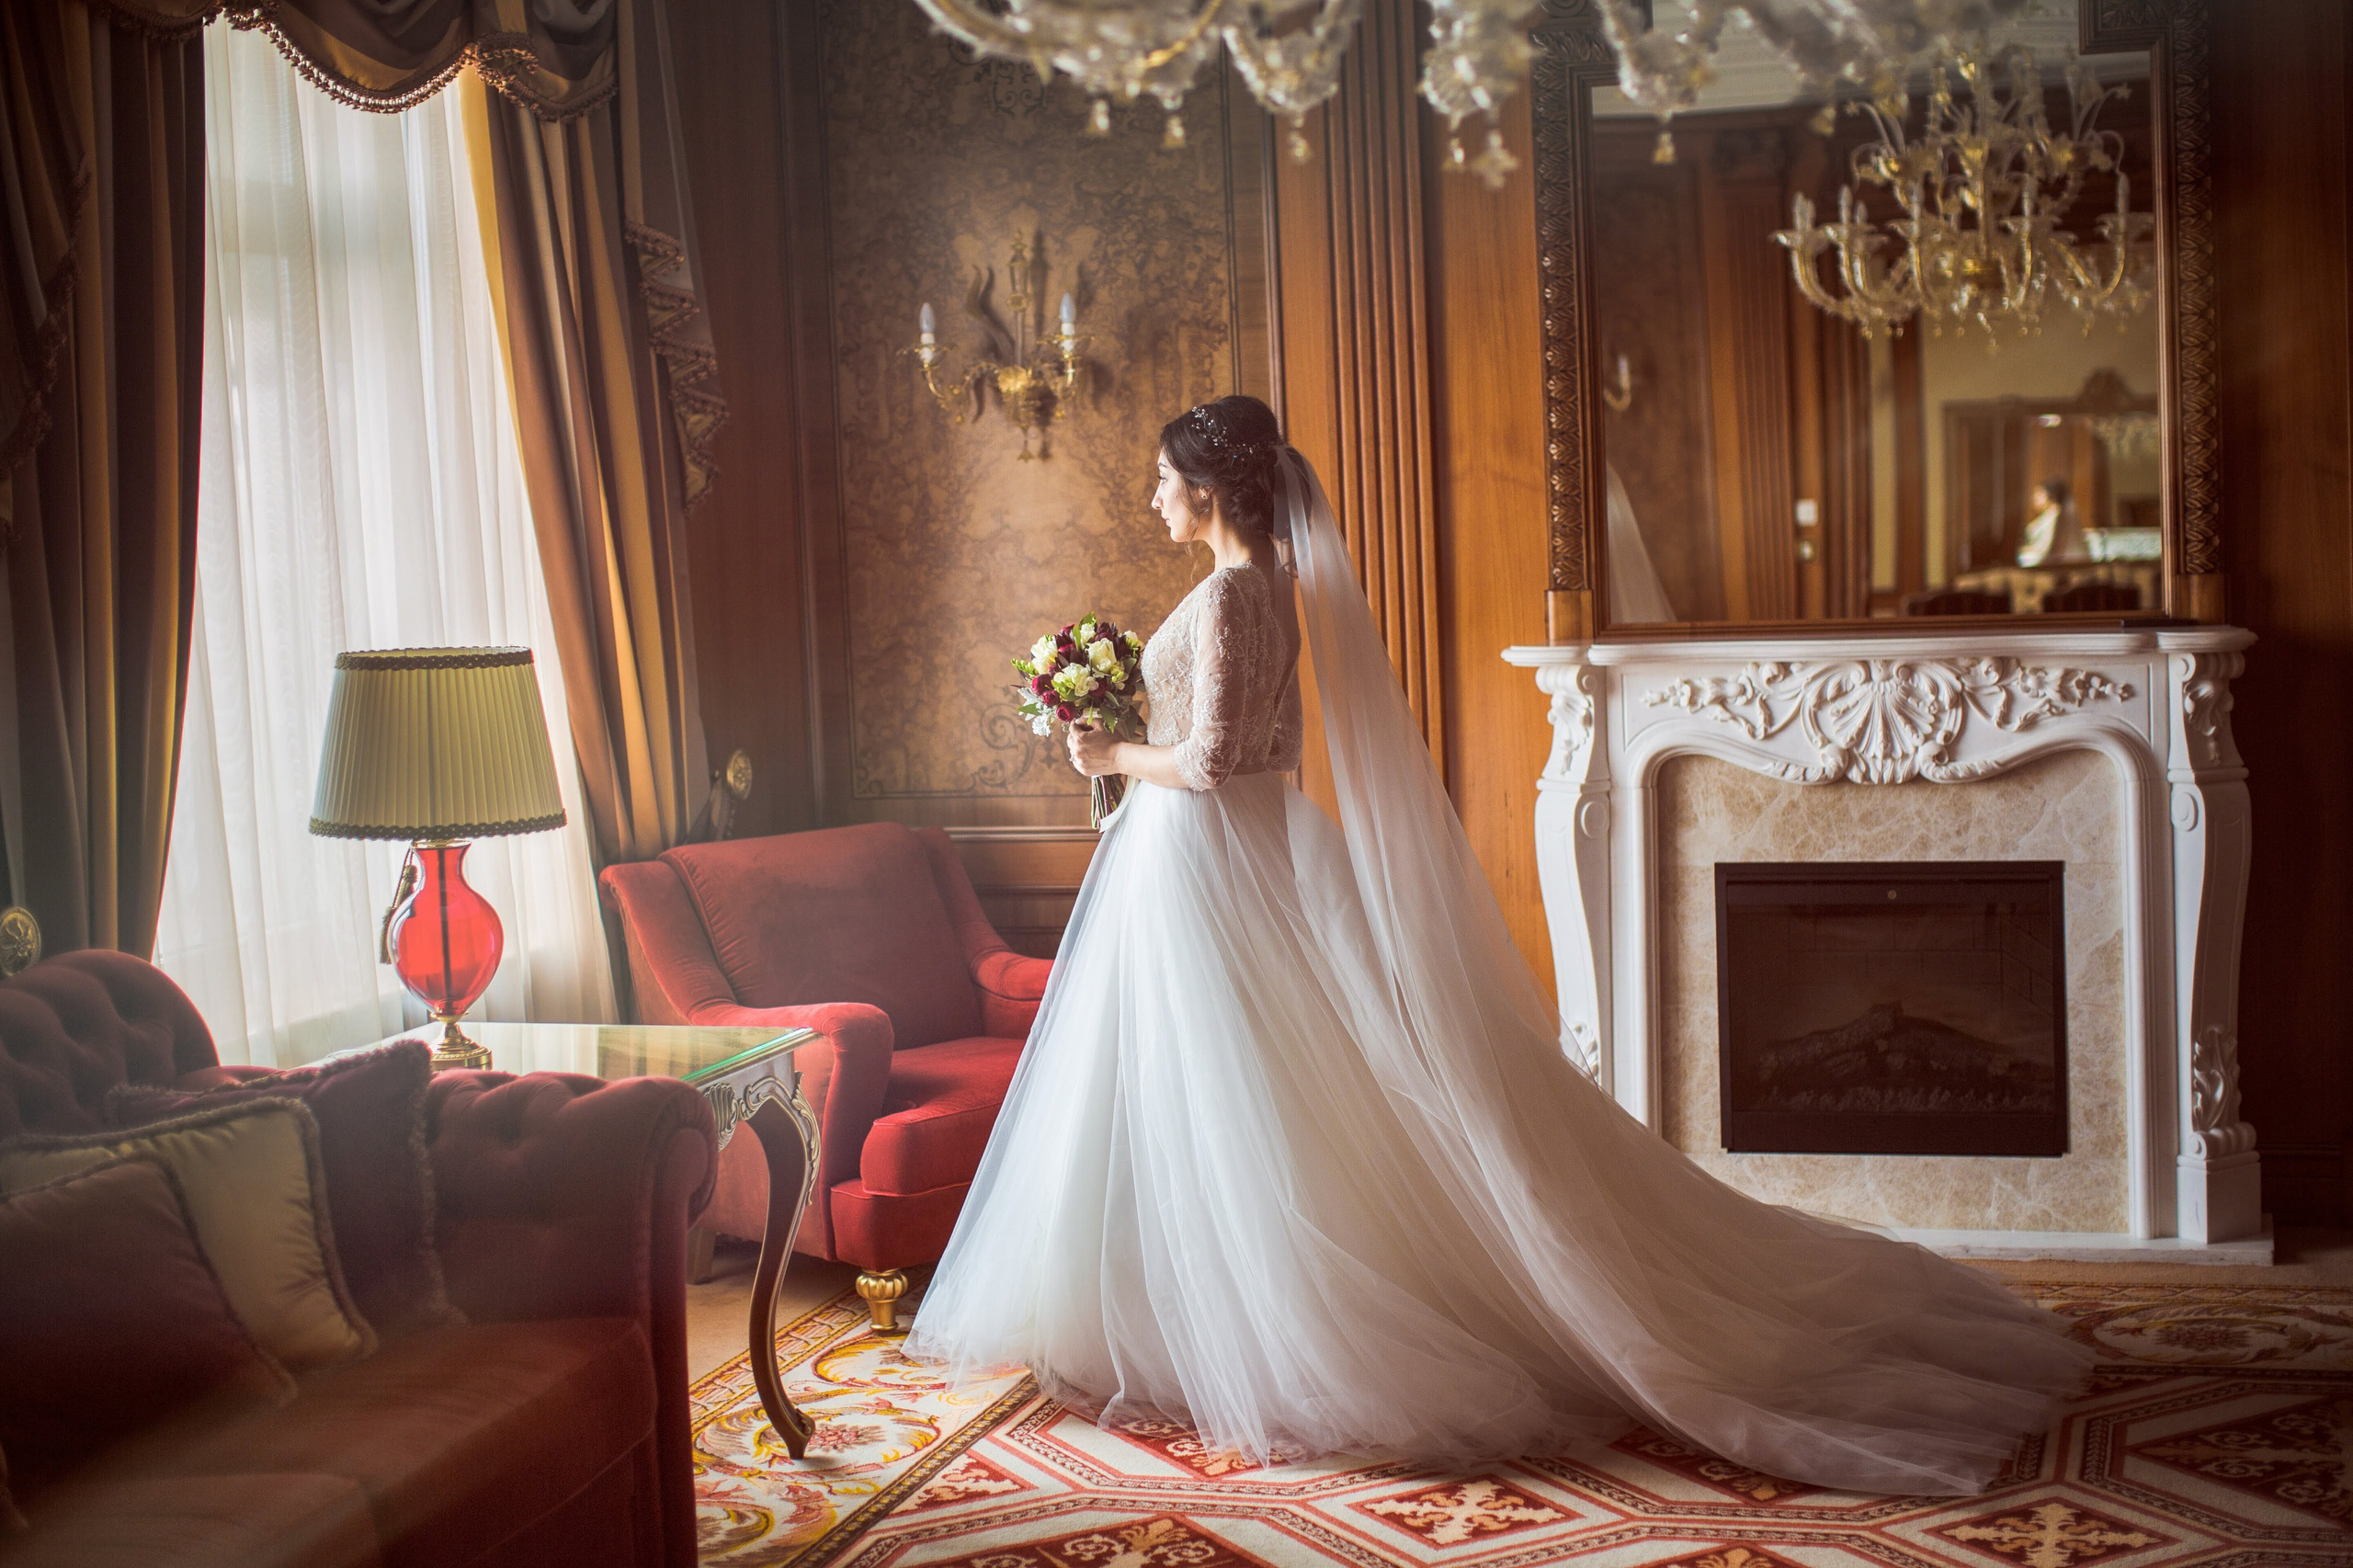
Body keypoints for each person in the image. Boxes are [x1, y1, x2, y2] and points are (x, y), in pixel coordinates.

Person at [905, 395, 2090, 1494]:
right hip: (1241, 855)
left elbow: (1213, 760)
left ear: (1210, 492)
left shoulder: (1228, 595)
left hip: (1213, 859)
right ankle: (1182, 1311)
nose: (1153, 499)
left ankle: (1271, 1321)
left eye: (1164, 481)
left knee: (1240, 1096)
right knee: (1256, 1094)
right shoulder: (1270, 586)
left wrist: (1110, 756)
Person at [2016, 477, 2086, 568]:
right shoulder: (2048, 515)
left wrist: (2023, 550)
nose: (2034, 497)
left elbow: (2047, 549)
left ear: (2048, 495)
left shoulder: (2054, 515)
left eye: (2038, 493)